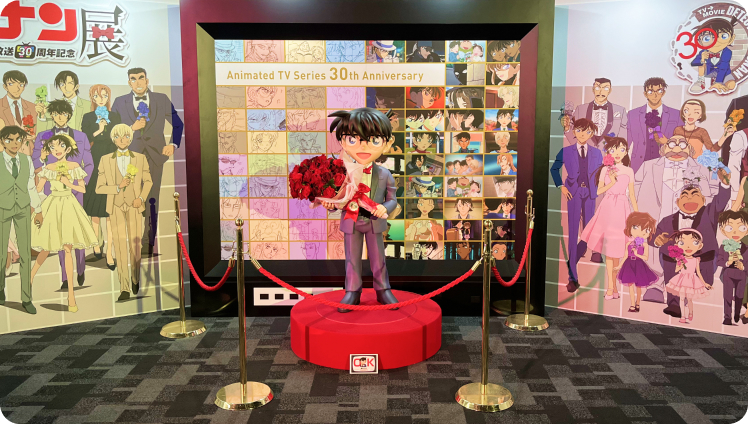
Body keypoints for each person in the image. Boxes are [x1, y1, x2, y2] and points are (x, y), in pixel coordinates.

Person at [315, 108, 399, 312]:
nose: (363, 146)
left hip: (375, 223)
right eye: (353, 139)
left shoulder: (384, 174)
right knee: (352, 260)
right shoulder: (341, 173)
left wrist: (383, 207)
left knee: (378, 259)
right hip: (351, 222)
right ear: (343, 142)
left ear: (387, 143)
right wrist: (330, 204)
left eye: (373, 140)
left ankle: (383, 290)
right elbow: (336, 198)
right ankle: (352, 292)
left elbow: (393, 200)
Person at [111, 67, 184, 254]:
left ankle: (148, 243)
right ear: (129, 82)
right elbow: (113, 131)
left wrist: (173, 144)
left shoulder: (161, 99)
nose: (138, 82)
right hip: (129, 158)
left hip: (155, 157)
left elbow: (178, 124)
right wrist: (131, 127)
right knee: (130, 197)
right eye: (133, 79)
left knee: (151, 199)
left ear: (147, 80)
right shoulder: (119, 102)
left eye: (141, 78)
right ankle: (131, 240)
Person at [635, 135, 712, 303]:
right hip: (657, 216)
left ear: (690, 150)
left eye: (682, 144)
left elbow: (708, 194)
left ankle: (682, 289)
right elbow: (635, 187)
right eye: (671, 144)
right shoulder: (648, 166)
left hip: (686, 219)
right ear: (663, 149)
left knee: (684, 251)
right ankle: (655, 285)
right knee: (656, 249)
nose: (676, 148)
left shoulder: (700, 169)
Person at [31, 134, 98, 313]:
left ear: (68, 149)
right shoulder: (49, 167)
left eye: (60, 146)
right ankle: (29, 279)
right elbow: (38, 188)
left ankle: (71, 296)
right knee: (46, 247)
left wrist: (68, 182)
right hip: (52, 204)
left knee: (68, 248)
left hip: (69, 205)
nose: (57, 150)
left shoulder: (74, 166)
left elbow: (82, 188)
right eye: (53, 147)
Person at [32, 99, 93, 289]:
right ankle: (66, 277)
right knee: (58, 235)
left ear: (69, 115)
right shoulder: (43, 136)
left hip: (76, 191)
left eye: (64, 113)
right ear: (51, 115)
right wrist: (43, 161)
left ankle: (80, 268)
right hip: (53, 192)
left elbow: (89, 163)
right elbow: (36, 162)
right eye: (56, 113)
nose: (60, 117)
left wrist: (78, 183)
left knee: (77, 231)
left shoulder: (81, 136)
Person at [652, 178, 730, 318]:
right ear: (677, 202)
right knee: (672, 274)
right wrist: (658, 241)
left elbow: (721, 202)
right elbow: (654, 237)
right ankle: (674, 304)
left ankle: (690, 300)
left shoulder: (709, 214)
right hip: (674, 260)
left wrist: (724, 184)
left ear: (703, 200)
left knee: (701, 285)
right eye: (685, 196)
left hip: (701, 258)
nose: (689, 198)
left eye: (695, 195)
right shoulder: (667, 220)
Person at [96, 124, 153, 301]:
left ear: (131, 138)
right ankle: (124, 287)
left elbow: (148, 181)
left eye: (126, 136)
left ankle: (135, 278)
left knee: (135, 246)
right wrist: (117, 187)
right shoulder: (105, 160)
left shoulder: (140, 158)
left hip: (135, 206)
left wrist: (141, 198)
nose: (122, 140)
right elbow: (99, 188)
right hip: (115, 207)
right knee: (119, 247)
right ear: (113, 139)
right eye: (119, 137)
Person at [580, 137, 638, 300]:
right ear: (608, 152)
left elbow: (632, 195)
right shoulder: (605, 170)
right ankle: (611, 288)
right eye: (613, 150)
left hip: (622, 208)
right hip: (608, 208)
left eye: (621, 149)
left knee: (617, 250)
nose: (617, 153)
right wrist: (612, 182)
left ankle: (613, 287)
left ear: (626, 152)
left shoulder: (629, 171)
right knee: (609, 251)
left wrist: (637, 214)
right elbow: (598, 191)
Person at [550, 118, 604, 291]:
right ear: (574, 132)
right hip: (573, 194)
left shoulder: (597, 153)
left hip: (590, 194)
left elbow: (601, 173)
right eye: (579, 130)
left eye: (587, 131)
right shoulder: (566, 151)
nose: (583, 134)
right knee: (573, 233)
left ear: (592, 133)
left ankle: (572, 259)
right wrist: (561, 186)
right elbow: (554, 169)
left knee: (589, 232)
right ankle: (572, 278)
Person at [0, 127, 42, 314]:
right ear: (2, 141)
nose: (14, 143)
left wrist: (38, 209)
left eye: (18, 139)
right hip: (2, 208)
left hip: (23, 208)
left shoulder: (26, 160)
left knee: (25, 253)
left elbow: (31, 185)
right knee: (1, 254)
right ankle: (0, 289)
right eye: (9, 140)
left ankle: (26, 298)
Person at [81, 84, 121, 268]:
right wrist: (99, 128)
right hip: (95, 158)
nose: (101, 99)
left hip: (112, 158)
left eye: (105, 96)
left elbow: (119, 137)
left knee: (110, 209)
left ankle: (110, 252)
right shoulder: (88, 117)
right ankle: (96, 245)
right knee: (95, 205)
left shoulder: (115, 116)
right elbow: (85, 138)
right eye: (97, 96)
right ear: (92, 98)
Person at [627, 77, 683, 172]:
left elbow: (682, 142)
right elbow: (626, 142)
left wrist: (667, 142)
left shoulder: (676, 114)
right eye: (650, 91)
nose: (655, 95)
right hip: (638, 164)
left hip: (667, 164)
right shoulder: (633, 114)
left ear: (663, 92)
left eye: (659, 91)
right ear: (645, 94)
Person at [664, 230, 712, 324]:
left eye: (694, 243)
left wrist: (704, 283)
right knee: (682, 298)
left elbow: (698, 272)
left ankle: (690, 313)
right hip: (681, 279)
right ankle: (683, 316)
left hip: (692, 280)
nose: (688, 247)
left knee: (689, 299)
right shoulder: (680, 259)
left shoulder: (696, 260)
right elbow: (676, 270)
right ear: (677, 246)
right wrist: (681, 265)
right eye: (682, 243)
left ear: (700, 246)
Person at [613, 212, 658, 313]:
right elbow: (625, 256)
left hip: (639, 265)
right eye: (636, 227)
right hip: (629, 265)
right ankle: (632, 304)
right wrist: (619, 266)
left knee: (638, 286)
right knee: (630, 286)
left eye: (646, 230)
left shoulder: (645, 245)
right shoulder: (629, 244)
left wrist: (637, 254)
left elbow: (646, 257)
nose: (640, 232)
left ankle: (638, 304)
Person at [569, 78, 627, 151]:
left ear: (610, 90)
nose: (601, 91)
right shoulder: (580, 109)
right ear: (593, 89)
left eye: (605, 88)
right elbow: (572, 132)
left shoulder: (620, 110)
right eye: (597, 88)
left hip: (609, 155)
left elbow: (623, 137)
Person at [689, 17, 738, 94]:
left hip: (724, 74)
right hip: (708, 72)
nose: (716, 41)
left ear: (731, 39)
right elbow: (693, 63)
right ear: (700, 41)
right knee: (702, 62)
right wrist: (702, 59)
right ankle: (700, 81)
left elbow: (723, 67)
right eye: (707, 38)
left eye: (723, 36)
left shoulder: (727, 52)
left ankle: (719, 87)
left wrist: (718, 82)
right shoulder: (703, 51)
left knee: (731, 85)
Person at [717, 210, 748, 325]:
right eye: (730, 228)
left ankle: (737, 313)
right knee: (727, 296)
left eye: (741, 228)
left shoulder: (746, 248)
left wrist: (743, 266)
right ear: (722, 230)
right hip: (728, 273)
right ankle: (727, 317)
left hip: (742, 275)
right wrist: (727, 262)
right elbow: (719, 261)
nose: (735, 232)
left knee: (739, 296)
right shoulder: (724, 246)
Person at [0, 71, 36, 140]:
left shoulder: (32, 107)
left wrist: (34, 137)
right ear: (5, 86)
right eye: (11, 84)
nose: (17, 88)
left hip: (28, 146)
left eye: (21, 85)